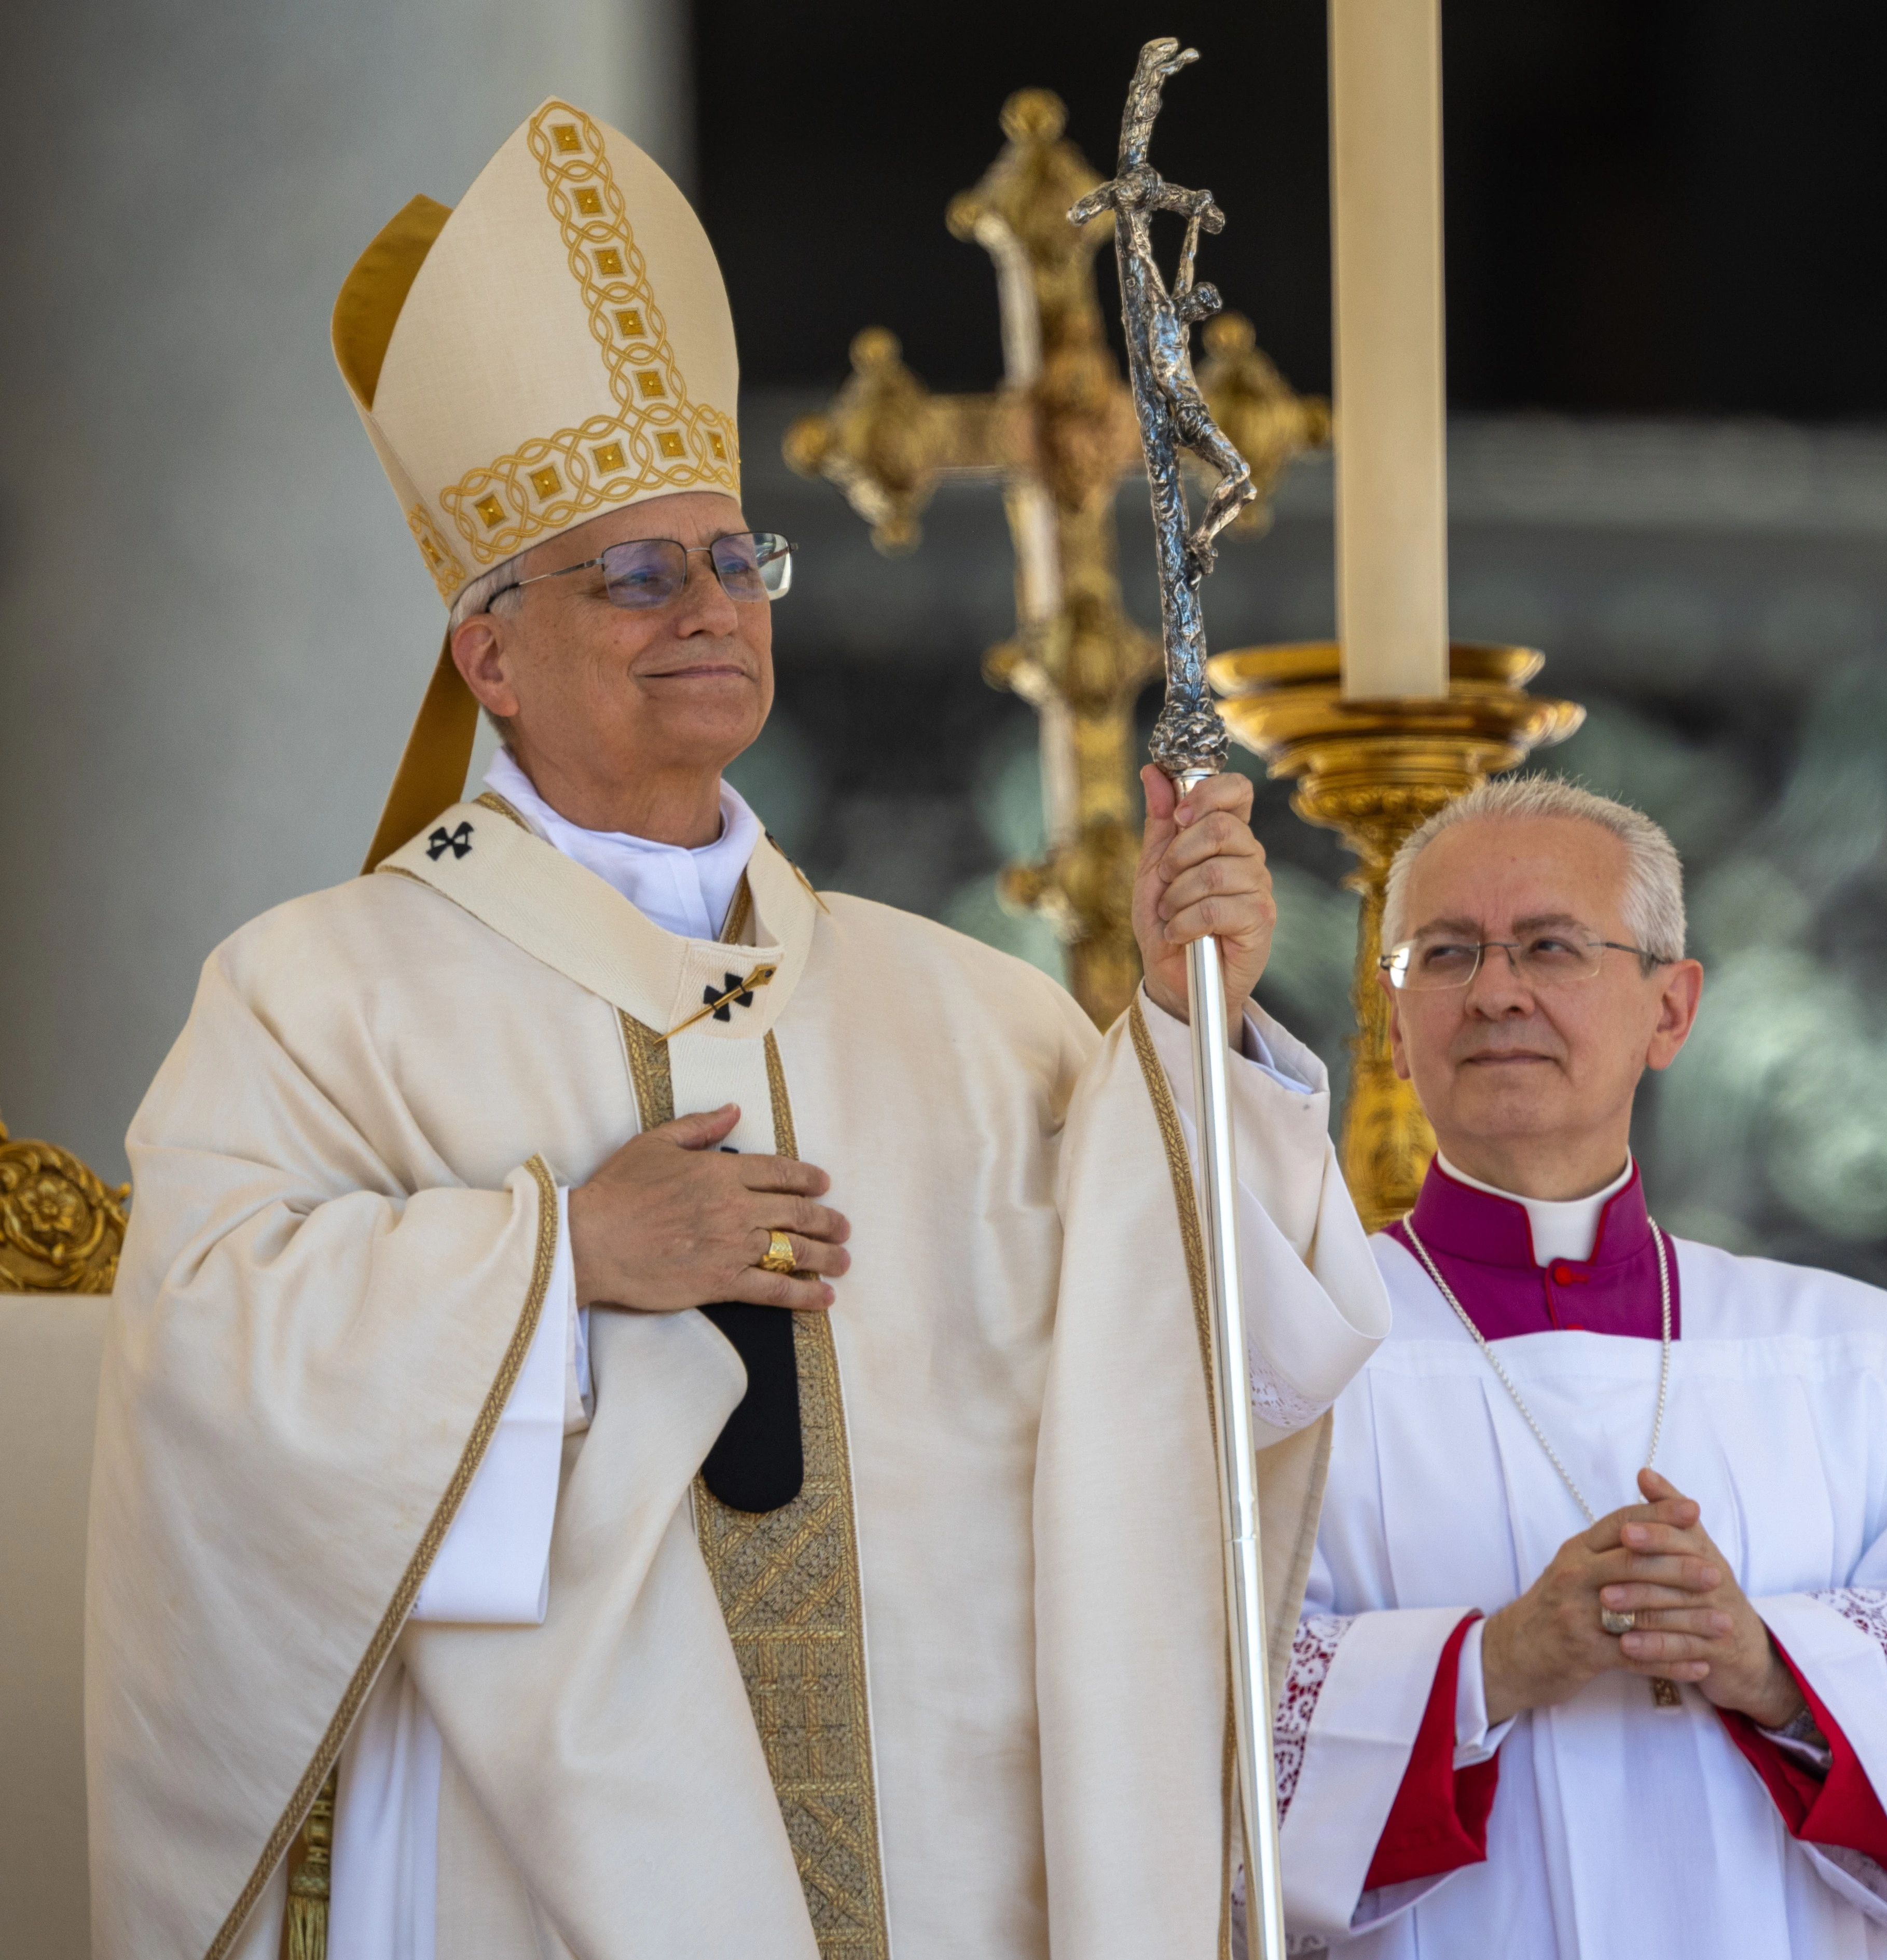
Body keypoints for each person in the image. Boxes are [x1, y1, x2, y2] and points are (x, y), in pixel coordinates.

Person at [84, 101, 1388, 1960]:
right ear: (489, 653)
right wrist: (557, 1255)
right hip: (517, 1871)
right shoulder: (318, 993)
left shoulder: (969, 1012)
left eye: (732, 559)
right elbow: (206, 1366)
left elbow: (1183, 1353)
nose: (708, 605)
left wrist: (1205, 1035)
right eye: (635, 572)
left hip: (953, 1868)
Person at [1270, 777, 1887, 1956]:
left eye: (1551, 946)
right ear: (1392, 1022)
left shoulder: (1854, 1357)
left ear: (1672, 1009)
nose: (1496, 990)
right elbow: (1168, 1705)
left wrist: (1770, 1664)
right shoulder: (1287, 1355)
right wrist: (1491, 1663)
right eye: (1447, 953)